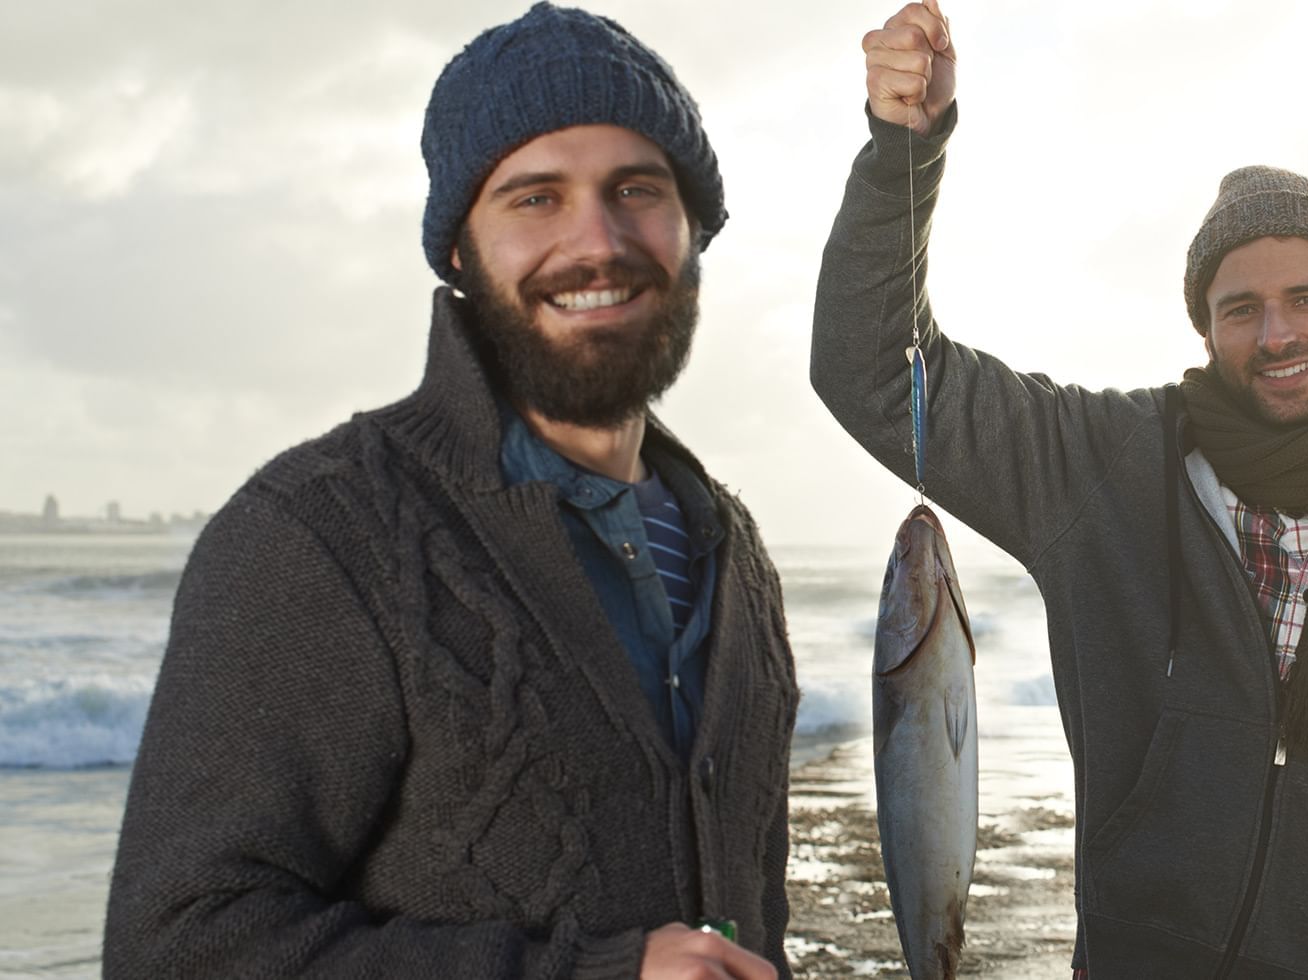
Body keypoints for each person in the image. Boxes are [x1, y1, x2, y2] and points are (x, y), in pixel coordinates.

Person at [812, 3, 1308, 977]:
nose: (1276, 332)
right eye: (1242, 307)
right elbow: (871, 368)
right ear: (1206, 328)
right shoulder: (1102, 466)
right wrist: (906, 148)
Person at [104, 5, 793, 978]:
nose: (596, 239)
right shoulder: (319, 532)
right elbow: (176, 950)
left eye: (635, 188)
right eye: (534, 198)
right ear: (460, 251)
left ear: (692, 230)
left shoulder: (731, 548)